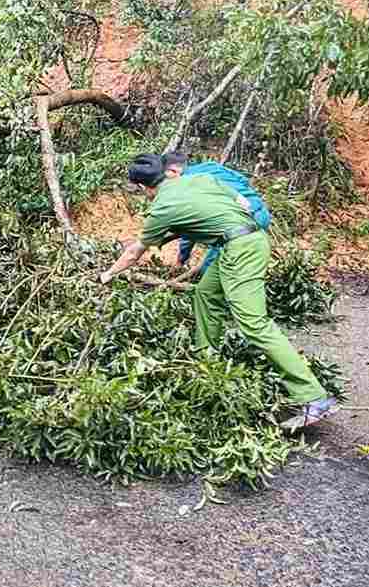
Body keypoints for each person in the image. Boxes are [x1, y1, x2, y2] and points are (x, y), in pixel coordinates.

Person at [97, 153, 338, 430]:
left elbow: (133, 253)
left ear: (143, 188)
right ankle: (206, 359)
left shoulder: (161, 207)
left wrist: (106, 275)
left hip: (241, 249)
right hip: (241, 240)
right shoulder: (200, 178)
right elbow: (243, 203)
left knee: (253, 323)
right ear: (168, 173)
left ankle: (313, 396)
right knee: (206, 293)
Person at [161, 151, 271, 280]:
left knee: (209, 274)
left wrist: (181, 260)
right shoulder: (211, 166)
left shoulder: (188, 184)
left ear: (173, 170)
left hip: (241, 223)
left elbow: (191, 226)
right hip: (262, 213)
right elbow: (243, 180)